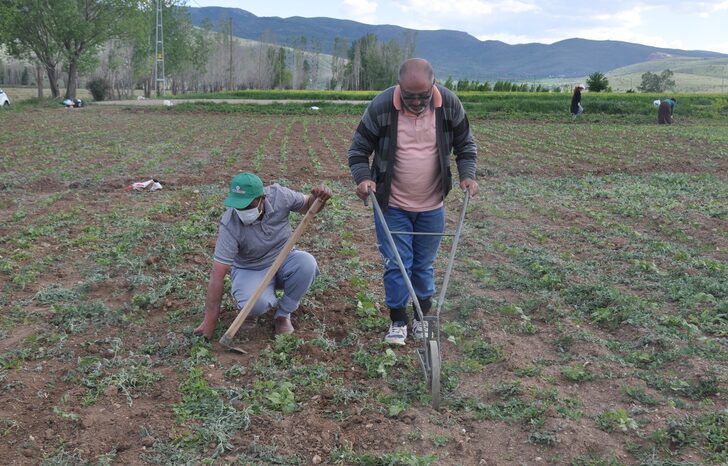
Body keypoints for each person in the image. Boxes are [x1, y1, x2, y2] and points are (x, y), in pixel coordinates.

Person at [348, 58, 479, 346]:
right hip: (392, 204)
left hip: (432, 204)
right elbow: (358, 150)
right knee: (397, 264)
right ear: (399, 88)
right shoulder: (382, 106)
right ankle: (398, 321)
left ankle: (423, 319)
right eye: (410, 96)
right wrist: (363, 179)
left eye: (424, 95)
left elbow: (465, 144)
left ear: (433, 85)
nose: (417, 102)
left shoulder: (449, 104)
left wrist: (467, 175)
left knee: (423, 264)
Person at [194, 172, 332, 339]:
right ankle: (251, 311)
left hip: (283, 259)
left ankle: (283, 314)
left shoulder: (280, 195)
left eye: (247, 205)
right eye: (238, 206)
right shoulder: (230, 224)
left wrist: (318, 198)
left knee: (307, 264)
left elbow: (308, 205)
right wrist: (210, 322)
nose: (242, 211)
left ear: (263, 198)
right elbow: (217, 274)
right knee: (254, 305)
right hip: (251, 268)